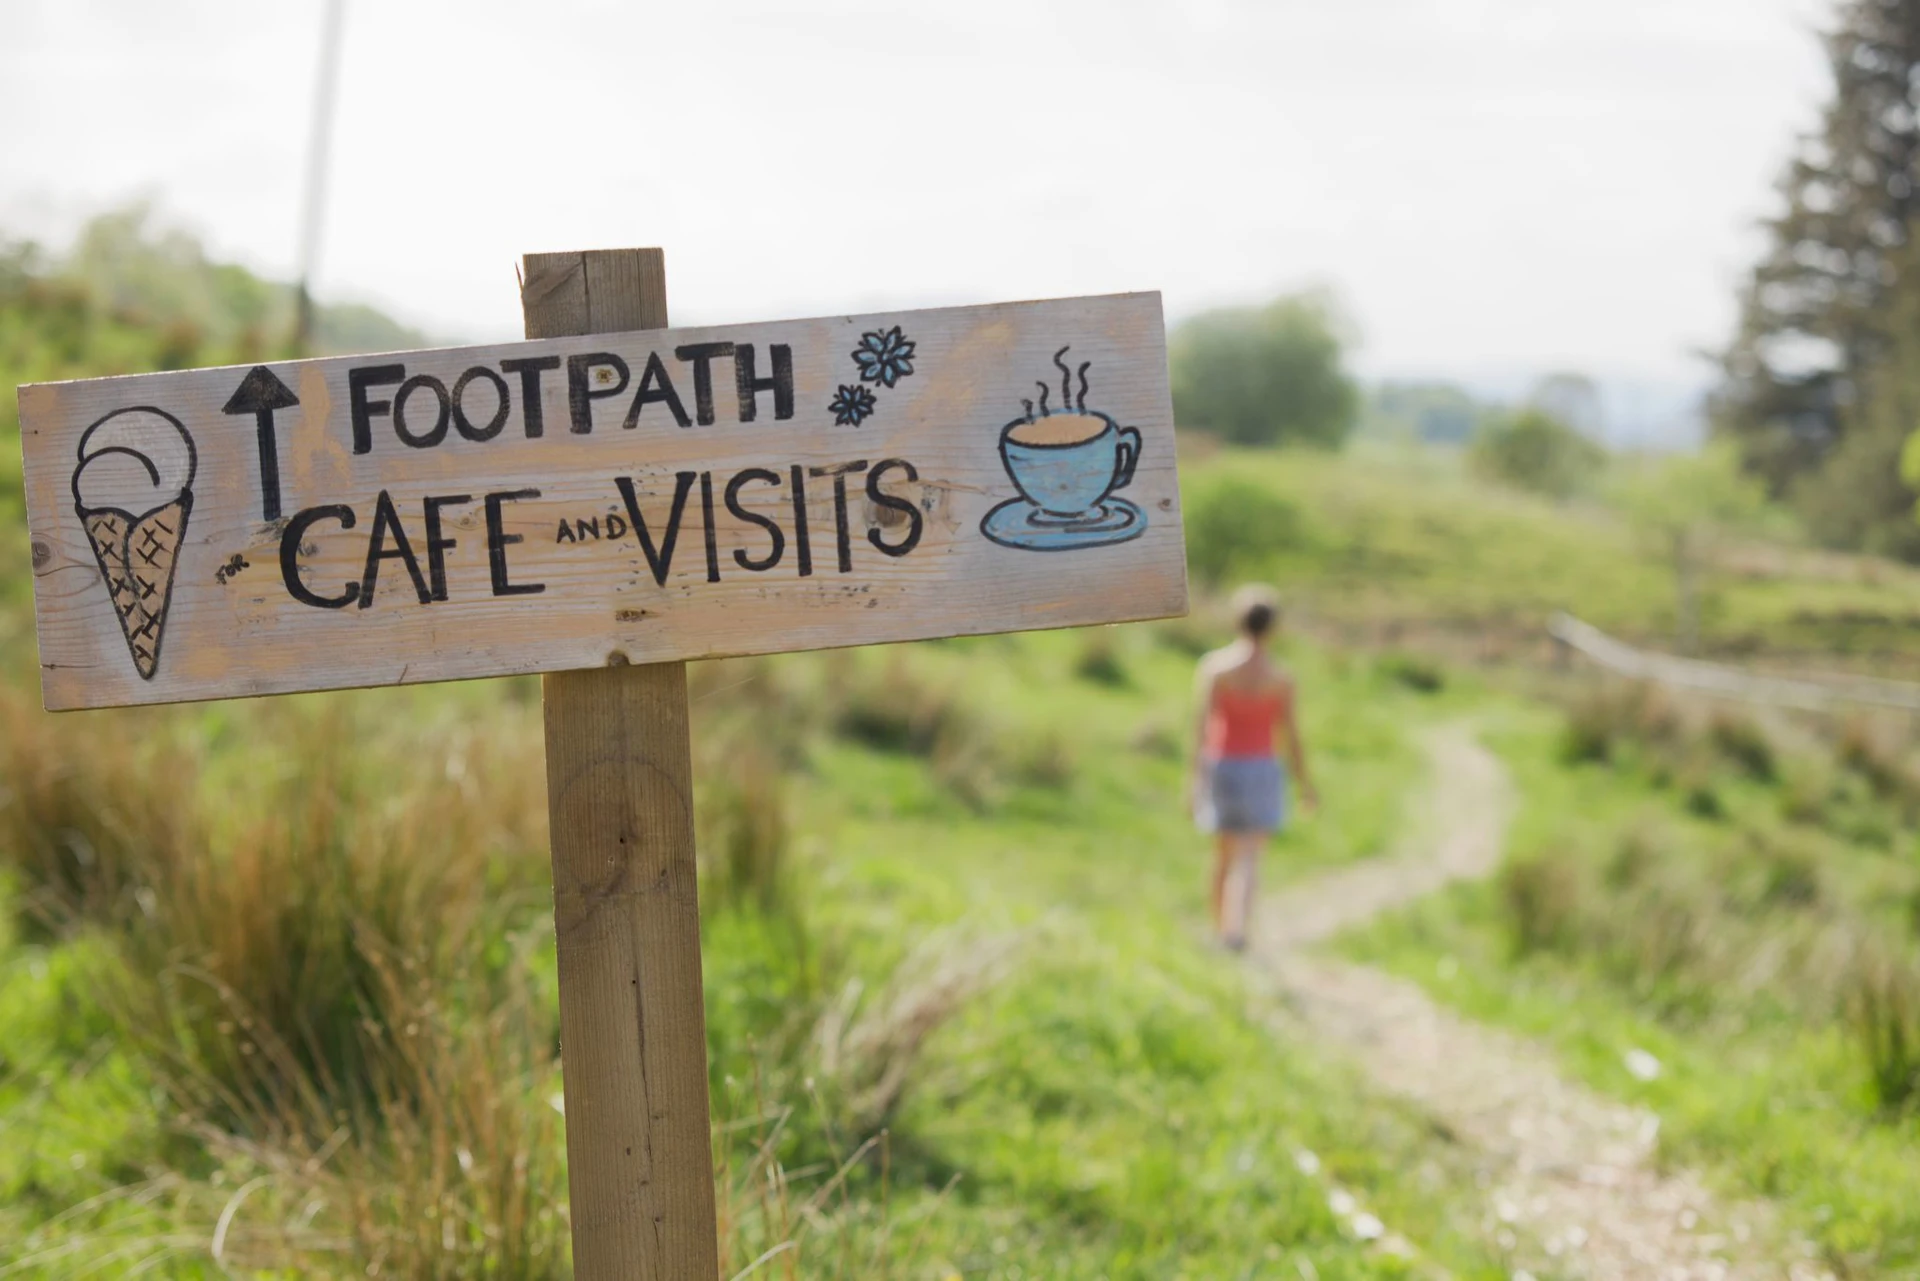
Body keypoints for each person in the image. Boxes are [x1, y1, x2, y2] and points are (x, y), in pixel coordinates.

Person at [1190, 586, 1317, 951]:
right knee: (1250, 857)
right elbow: (1291, 735)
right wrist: (1305, 784)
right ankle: (1238, 931)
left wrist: (1193, 781)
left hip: (1223, 765)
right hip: (1262, 768)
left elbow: (1201, 728)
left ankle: (1219, 930)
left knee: (1223, 855)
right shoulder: (1280, 677)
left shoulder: (1216, 669)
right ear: (1273, 627)